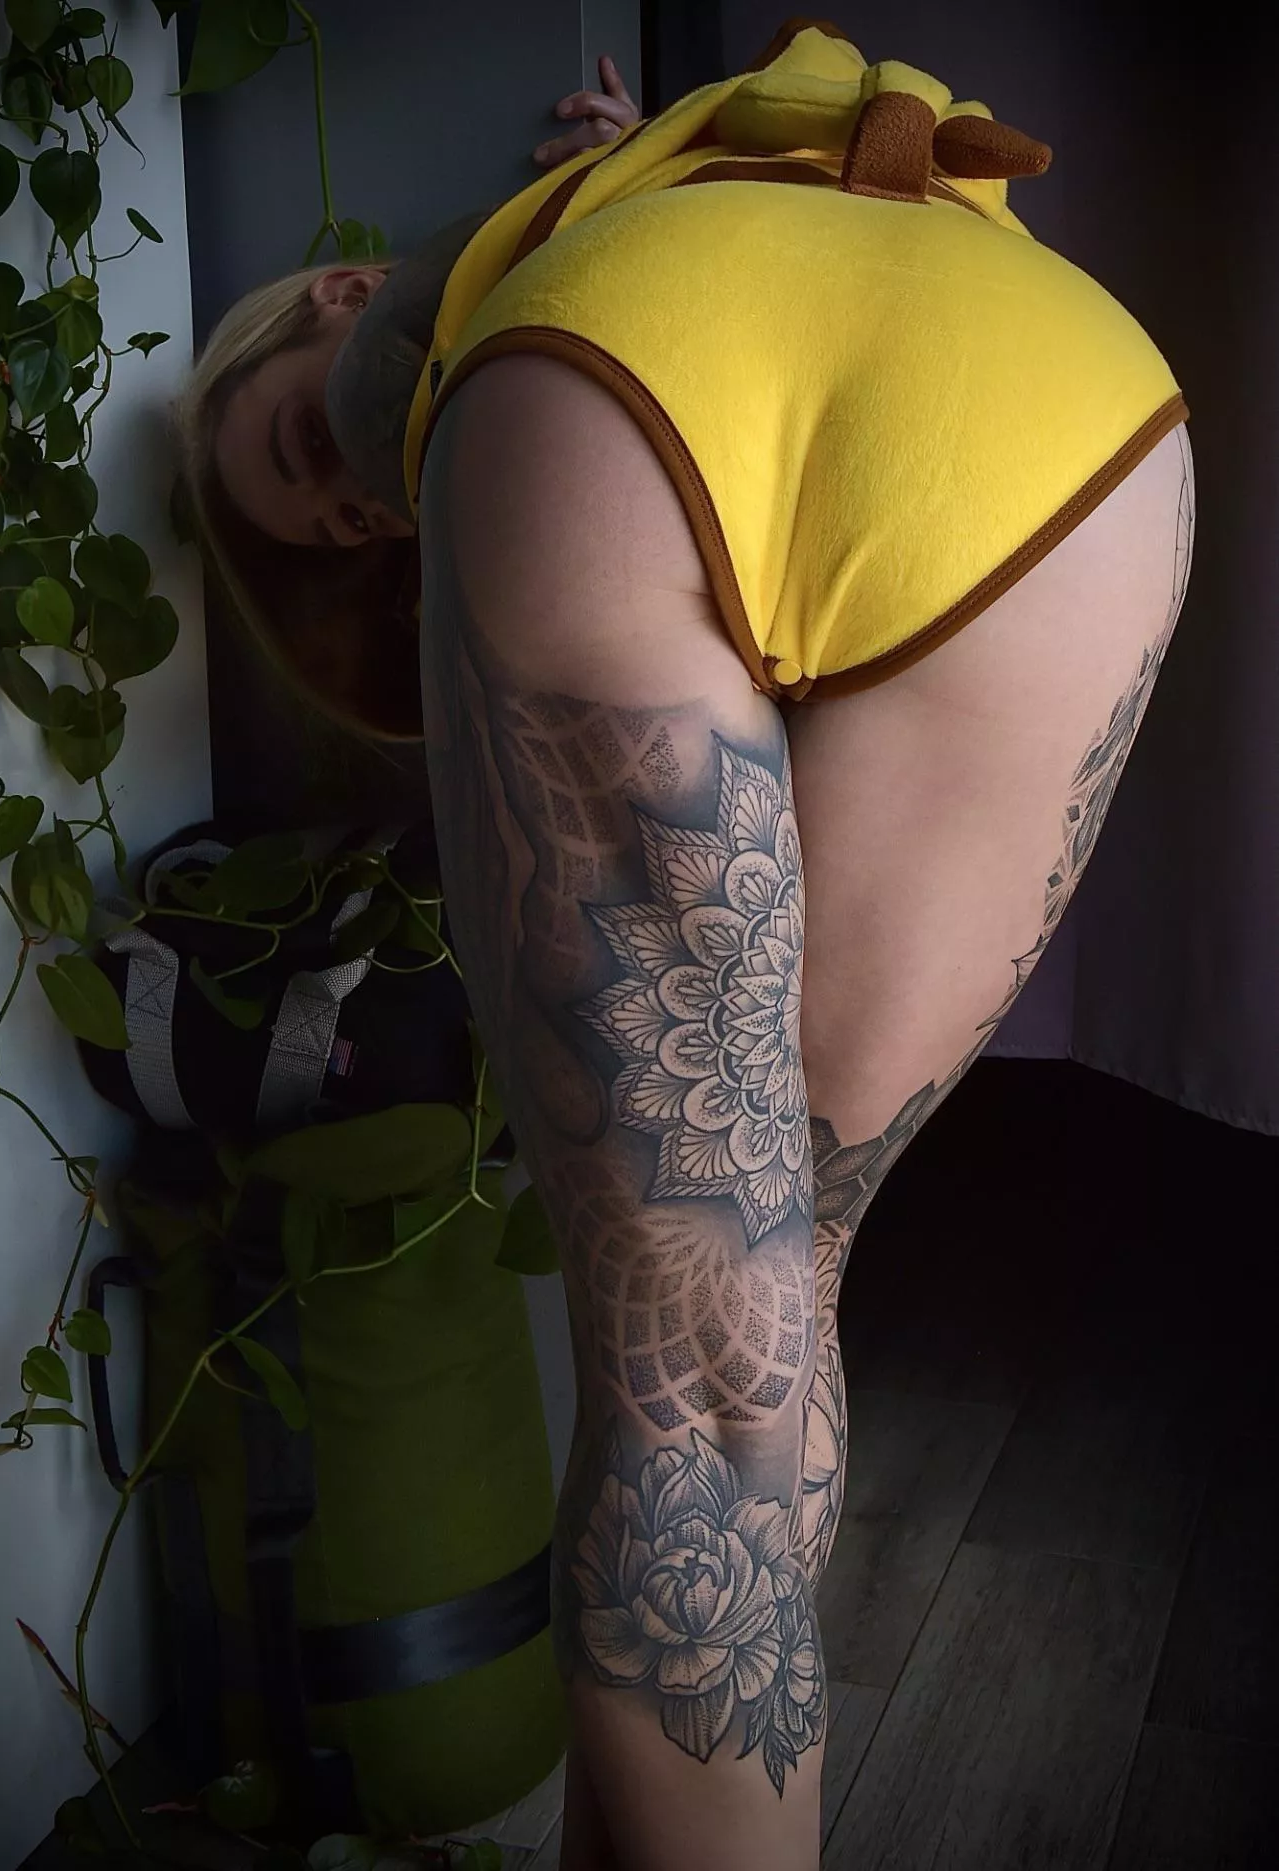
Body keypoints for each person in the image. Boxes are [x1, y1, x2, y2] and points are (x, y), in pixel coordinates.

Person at [180, 20, 1194, 1870]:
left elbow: (655, 354)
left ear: (330, 301)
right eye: (343, 528)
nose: (357, 505)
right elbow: (768, 312)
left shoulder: (479, 303)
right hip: (1075, 422)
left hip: (616, 395)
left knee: (701, 1366)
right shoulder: (650, 181)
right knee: (766, 1312)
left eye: (306, 448)